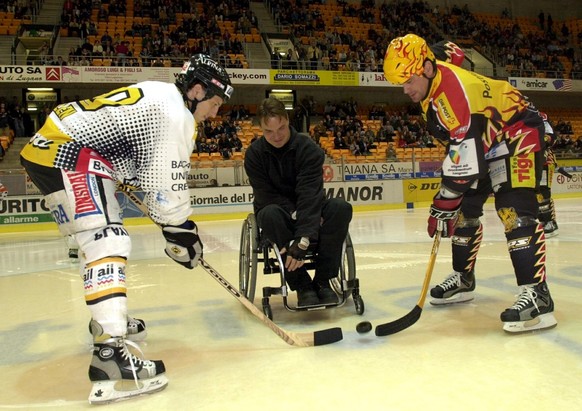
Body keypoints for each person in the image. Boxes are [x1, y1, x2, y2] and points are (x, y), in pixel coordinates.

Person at [20, 54, 233, 403]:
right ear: (196, 91)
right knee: (107, 240)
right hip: (69, 155)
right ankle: (109, 354)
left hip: (52, 150)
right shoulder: (175, 114)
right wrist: (182, 234)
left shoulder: (159, 95)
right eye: (214, 103)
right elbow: (167, 190)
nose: (215, 113)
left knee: (96, 240)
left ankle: (106, 319)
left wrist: (174, 225)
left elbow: (141, 167)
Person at [384, 34, 556, 333]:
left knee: (513, 211)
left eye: (408, 80)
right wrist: (450, 205)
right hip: (486, 142)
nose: (405, 89)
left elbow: (464, 164)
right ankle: (463, 280)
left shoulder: (453, 93)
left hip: (517, 133)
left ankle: (537, 296)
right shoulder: (432, 73)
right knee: (465, 212)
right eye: (400, 83)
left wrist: (442, 204)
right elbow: (453, 51)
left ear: (425, 68)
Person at [430, 40, 560, 237]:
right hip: (482, 155)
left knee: (528, 200)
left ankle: (548, 222)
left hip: (517, 148)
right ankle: (462, 268)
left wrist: (544, 144)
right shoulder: (440, 97)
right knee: (466, 211)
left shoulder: (480, 89)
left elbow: (543, 128)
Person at [244, 96, 353, 307]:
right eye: (269, 131)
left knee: (340, 208)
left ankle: (323, 281)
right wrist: (299, 219)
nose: (276, 136)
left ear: (288, 120)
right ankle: (302, 285)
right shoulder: (254, 155)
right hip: (279, 216)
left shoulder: (308, 148)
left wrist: (304, 236)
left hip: (310, 207)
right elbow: (266, 195)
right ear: (261, 129)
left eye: (281, 128)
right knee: (269, 213)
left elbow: (309, 191)